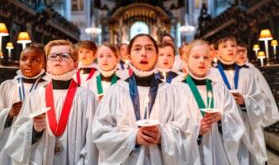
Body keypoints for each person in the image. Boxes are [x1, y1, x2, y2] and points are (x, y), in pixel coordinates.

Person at [92, 34, 199, 164]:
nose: (143, 53)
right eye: (137, 49)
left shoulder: (171, 92)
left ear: (156, 55)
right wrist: (133, 137)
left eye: (149, 48)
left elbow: (185, 131)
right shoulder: (116, 91)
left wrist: (162, 136)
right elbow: (101, 132)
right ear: (129, 56)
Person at [5, 40, 97, 165]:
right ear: (46, 65)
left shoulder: (87, 98)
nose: (57, 59)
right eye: (52, 56)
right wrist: (35, 131)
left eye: (64, 56)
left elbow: (92, 141)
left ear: (75, 65)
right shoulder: (35, 96)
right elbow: (17, 139)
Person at [173, 39, 245, 165]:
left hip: (217, 149)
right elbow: (171, 125)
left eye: (206, 57)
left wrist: (221, 118)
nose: (201, 61)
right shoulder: (176, 89)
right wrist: (196, 130)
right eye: (196, 57)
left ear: (211, 60)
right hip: (189, 153)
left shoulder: (220, 89)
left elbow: (236, 122)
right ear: (186, 59)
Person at [0, 44, 48, 165]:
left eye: (35, 59)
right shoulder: (8, 86)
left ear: (44, 64)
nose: (28, 63)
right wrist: (8, 114)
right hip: (6, 142)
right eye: (24, 59)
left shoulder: (47, 87)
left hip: (35, 144)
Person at [208, 35, 267, 165]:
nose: (230, 49)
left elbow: (259, 100)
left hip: (245, 123)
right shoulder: (210, 74)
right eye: (225, 46)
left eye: (233, 46)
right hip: (223, 126)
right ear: (216, 52)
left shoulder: (248, 73)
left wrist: (245, 101)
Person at [236, 41, 279, 127]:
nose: (241, 54)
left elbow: (264, 92)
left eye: (243, 51)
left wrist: (248, 101)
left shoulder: (253, 71)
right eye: (238, 51)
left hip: (252, 112)